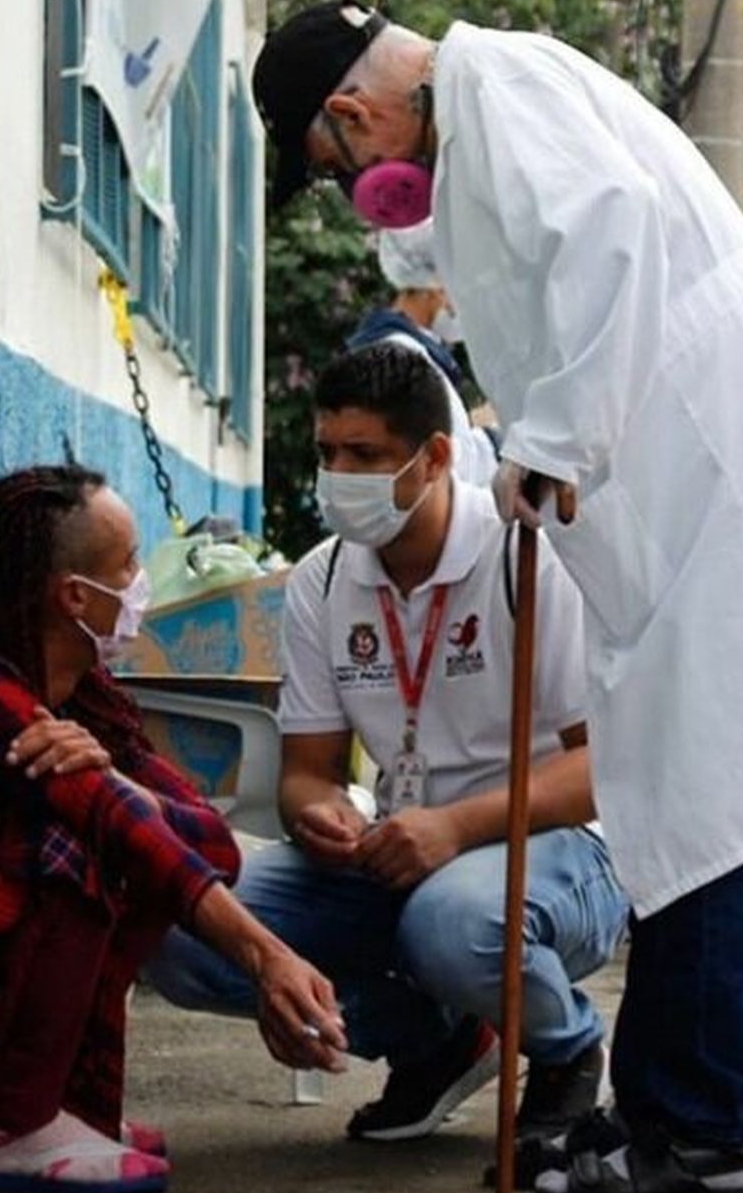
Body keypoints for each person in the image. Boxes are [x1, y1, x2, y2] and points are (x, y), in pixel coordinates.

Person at [252, 0, 743, 1193]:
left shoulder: (497, 91)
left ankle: (711, 1135)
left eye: (332, 160)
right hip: (681, 490)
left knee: (716, 810)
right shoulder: (482, 111)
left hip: (720, 483)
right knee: (685, 803)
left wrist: (551, 441)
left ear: (350, 112)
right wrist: (542, 447)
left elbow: (607, 239)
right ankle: (665, 1107)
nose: (357, 182)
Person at [148, 343, 627, 1152]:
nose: (339, 475)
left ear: (434, 457)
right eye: (328, 453)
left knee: (451, 922)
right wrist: (321, 815)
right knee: (179, 931)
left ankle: (566, 1048)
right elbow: (307, 773)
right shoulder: (324, 579)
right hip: (397, 847)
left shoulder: (524, 557)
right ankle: (433, 1040)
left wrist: (457, 827)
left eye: (364, 455)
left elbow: (602, 772)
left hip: (553, 847)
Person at [0, 465, 346, 1193]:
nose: (142, 582)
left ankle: (70, 1109)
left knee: (128, 853)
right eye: (130, 565)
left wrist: (112, 775)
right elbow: (117, 824)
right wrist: (264, 958)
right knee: (75, 850)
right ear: (76, 595)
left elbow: (209, 841)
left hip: (28, 956)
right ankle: (11, 1123)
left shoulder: (87, 696)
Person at [346, 218, 500, 485]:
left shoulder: (396, 353)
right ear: (434, 286)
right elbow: (449, 468)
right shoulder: (402, 361)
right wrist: (494, 438)